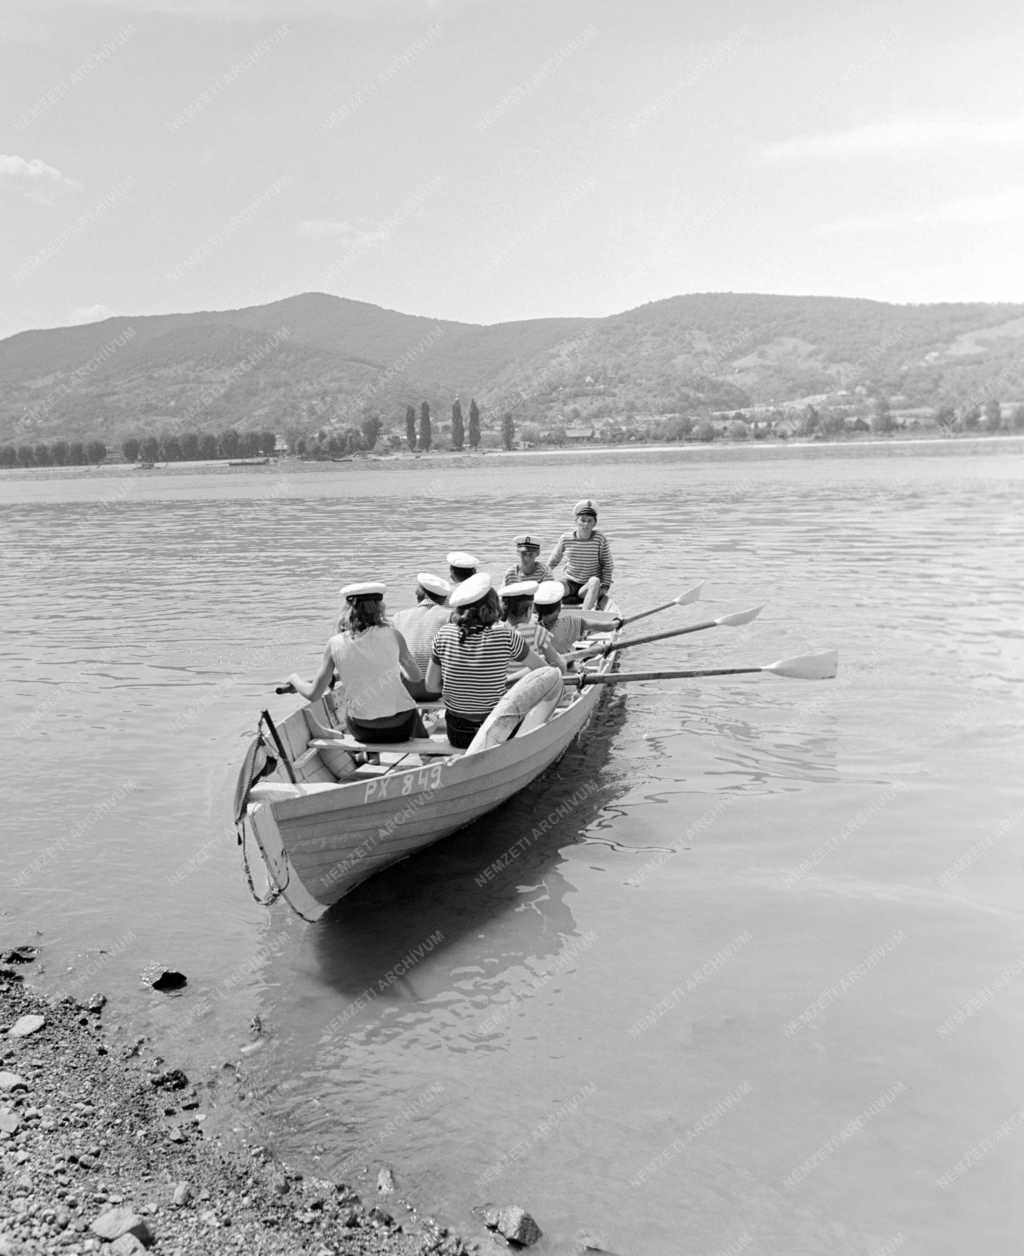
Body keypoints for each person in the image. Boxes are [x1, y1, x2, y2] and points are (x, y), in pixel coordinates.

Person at [285, 582, 426, 744]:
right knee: (408, 707)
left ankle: (372, 758)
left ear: (347, 610)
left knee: (356, 709)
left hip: (364, 731)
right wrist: (393, 670)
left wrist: (295, 679)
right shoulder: (394, 635)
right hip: (401, 727)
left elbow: (313, 694)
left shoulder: (334, 643)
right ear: (380, 607)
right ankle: (429, 755)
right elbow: (415, 677)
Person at [426, 572, 545, 749]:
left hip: (458, 734)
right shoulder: (506, 636)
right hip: (496, 732)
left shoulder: (443, 634)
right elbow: (543, 671)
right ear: (492, 606)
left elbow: (431, 686)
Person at [391, 573, 451, 700]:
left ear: (418, 595)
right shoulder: (449, 616)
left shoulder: (399, 617)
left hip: (405, 689)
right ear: (443, 598)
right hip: (436, 689)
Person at [546, 498, 613, 609]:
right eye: (582, 520)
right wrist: (541, 578)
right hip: (570, 583)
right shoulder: (565, 539)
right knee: (553, 588)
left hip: (589, 587)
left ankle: (584, 616)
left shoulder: (599, 538)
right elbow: (553, 561)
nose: (586, 524)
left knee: (595, 580)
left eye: (589, 521)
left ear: (594, 523)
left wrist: (605, 586)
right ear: (576, 521)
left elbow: (607, 564)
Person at [498, 580, 565, 673]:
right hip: (532, 683)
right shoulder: (537, 632)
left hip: (510, 684)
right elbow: (556, 661)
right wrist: (563, 667)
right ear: (529, 610)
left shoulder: (500, 633)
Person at [533, 580, 609, 656]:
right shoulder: (570, 622)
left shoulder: (529, 627)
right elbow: (608, 626)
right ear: (560, 607)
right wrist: (618, 623)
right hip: (564, 662)